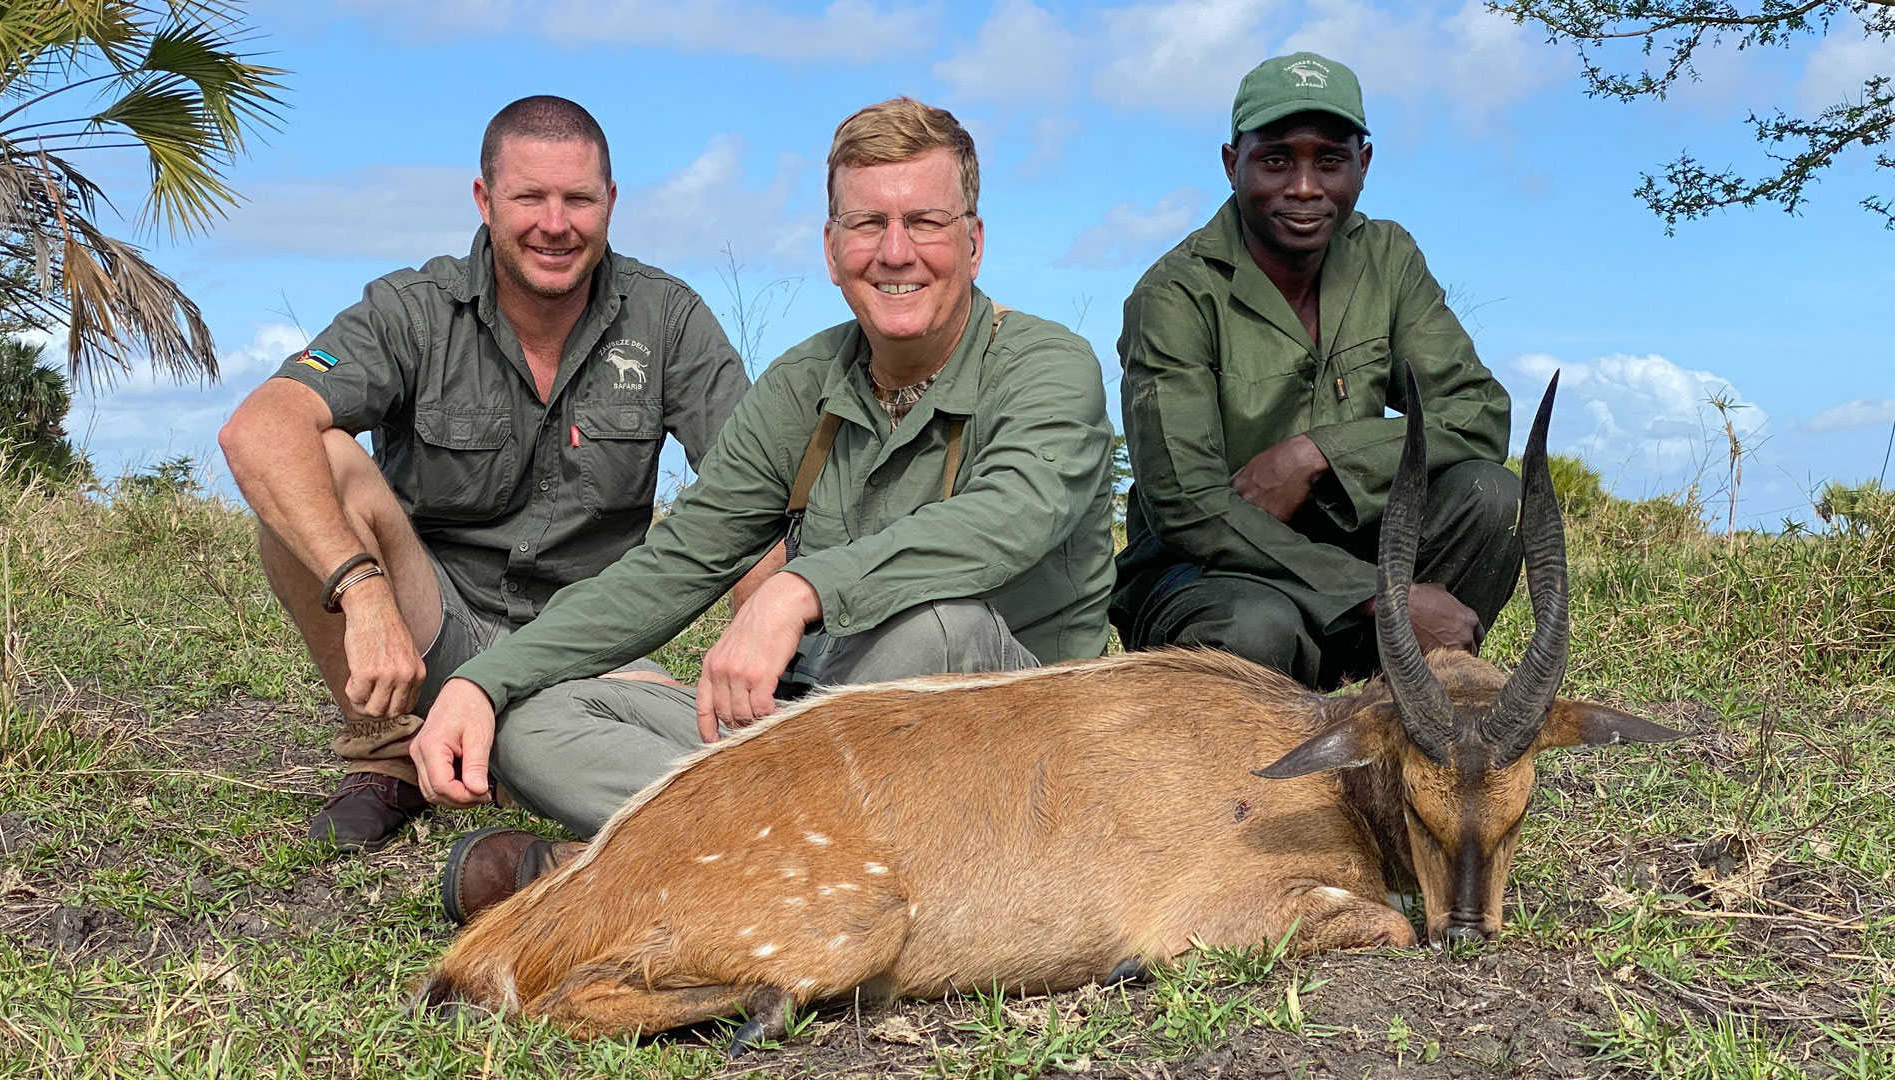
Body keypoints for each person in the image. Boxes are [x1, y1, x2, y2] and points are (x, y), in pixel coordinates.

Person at [411, 96, 1115, 924]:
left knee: (938, 626)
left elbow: (1009, 519)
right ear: (830, 247)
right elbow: (677, 564)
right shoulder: (802, 381)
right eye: (866, 225)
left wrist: (795, 589)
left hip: (1003, 739)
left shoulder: (1048, 365)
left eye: (925, 221)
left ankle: (661, 869)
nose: (895, 252)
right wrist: (481, 681)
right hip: (805, 735)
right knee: (538, 718)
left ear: (974, 239)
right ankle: (785, 868)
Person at [219, 96, 750, 853]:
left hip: (588, 647)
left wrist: (766, 643)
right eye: (530, 197)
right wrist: (365, 597)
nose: (555, 224)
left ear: (611, 202)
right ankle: (388, 754)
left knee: (711, 745)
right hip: (432, 623)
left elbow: (753, 492)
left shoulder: (667, 318)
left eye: (579, 199)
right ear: (485, 200)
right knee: (320, 459)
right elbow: (257, 427)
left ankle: (521, 759)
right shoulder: (412, 307)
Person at [1109, 52, 1522, 690]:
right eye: (1275, 159)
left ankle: (1408, 711)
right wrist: (1382, 596)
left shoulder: (1388, 255)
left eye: (1329, 160)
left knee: (1491, 496)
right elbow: (1188, 509)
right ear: (1230, 164)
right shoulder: (1174, 293)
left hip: (1357, 550)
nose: (1304, 188)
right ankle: (1248, 778)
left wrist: (1316, 454)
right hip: (1211, 575)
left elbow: (1478, 413)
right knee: (1255, 627)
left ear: (1364, 163)